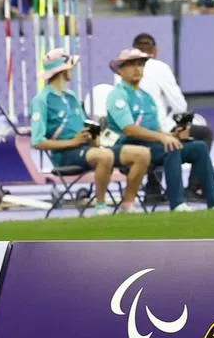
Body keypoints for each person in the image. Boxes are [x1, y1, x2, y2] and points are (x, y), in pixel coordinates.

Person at [29, 48, 151, 215]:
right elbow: (37, 141)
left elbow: (85, 128)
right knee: (105, 156)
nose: (72, 69)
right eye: (70, 66)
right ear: (63, 70)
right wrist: (73, 142)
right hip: (65, 155)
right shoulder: (42, 100)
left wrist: (102, 139)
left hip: (87, 149)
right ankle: (100, 206)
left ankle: (127, 204)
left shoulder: (71, 96)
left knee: (142, 154)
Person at [105, 48, 214, 212]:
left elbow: (156, 129)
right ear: (120, 70)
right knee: (170, 148)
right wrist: (163, 138)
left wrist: (172, 135)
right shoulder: (118, 95)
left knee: (199, 147)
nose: (137, 69)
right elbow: (129, 130)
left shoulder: (147, 97)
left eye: (140, 64)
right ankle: (177, 202)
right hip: (128, 145)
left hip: (151, 144)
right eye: (131, 65)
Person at [130, 33, 212, 199]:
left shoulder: (123, 71)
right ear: (155, 50)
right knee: (204, 134)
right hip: (157, 131)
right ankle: (192, 188)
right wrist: (175, 124)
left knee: (158, 133)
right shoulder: (159, 67)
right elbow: (179, 106)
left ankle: (152, 189)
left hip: (133, 132)